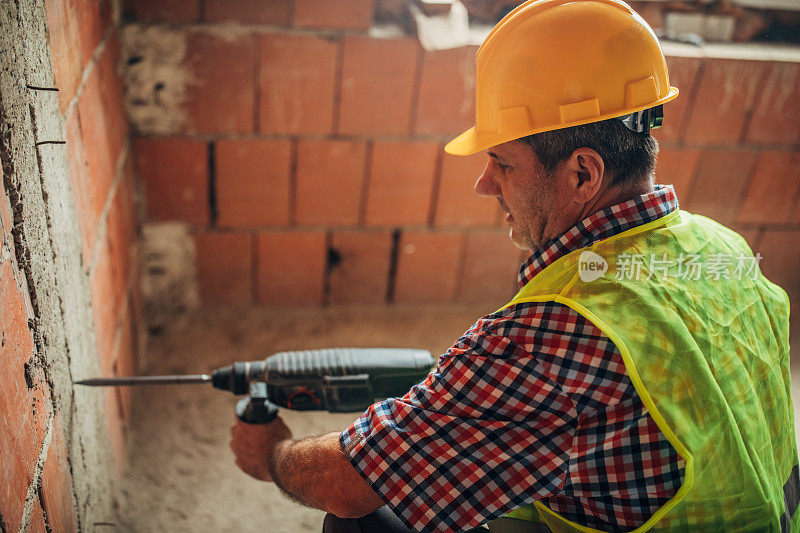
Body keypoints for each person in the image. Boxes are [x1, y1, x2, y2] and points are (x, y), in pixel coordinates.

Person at [230, 0, 796, 531]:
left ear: (582, 174)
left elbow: (351, 481)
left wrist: (273, 454)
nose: (484, 183)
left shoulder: (553, 339)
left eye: (502, 162)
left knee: (365, 521)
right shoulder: (722, 248)